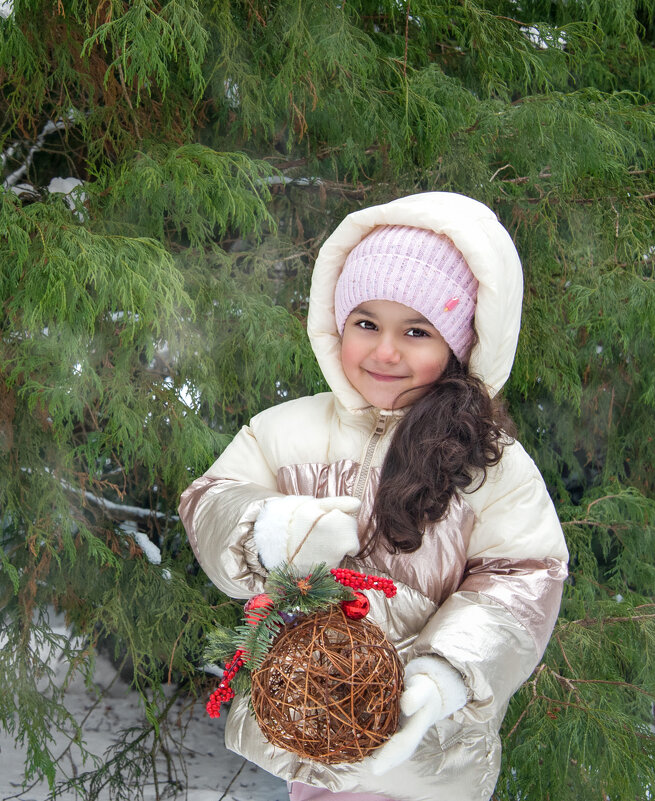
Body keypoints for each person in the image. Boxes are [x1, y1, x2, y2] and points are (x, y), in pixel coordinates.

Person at [179, 192, 569, 801]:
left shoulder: (487, 461)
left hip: (423, 751)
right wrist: (267, 529)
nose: (385, 351)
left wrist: (448, 671)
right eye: (366, 324)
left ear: (458, 345)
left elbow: (523, 573)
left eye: (416, 331)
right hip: (308, 731)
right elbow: (210, 499)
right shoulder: (284, 431)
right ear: (338, 325)